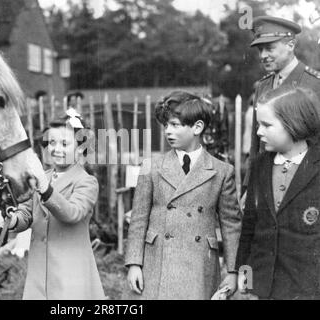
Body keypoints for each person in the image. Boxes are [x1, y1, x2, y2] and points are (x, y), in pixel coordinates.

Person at [124, 91, 242, 300]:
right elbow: (138, 220)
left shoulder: (222, 171)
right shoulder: (151, 167)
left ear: (197, 127)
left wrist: (233, 271)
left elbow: (231, 225)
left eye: (176, 125)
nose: (168, 131)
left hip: (198, 265)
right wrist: (134, 263)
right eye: (166, 125)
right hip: (156, 262)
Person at [5, 108, 105, 300]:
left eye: (65, 144)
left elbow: (72, 214)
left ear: (81, 148)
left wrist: (46, 189)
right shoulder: (44, 178)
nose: (56, 149)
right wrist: (11, 218)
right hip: (39, 274)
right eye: (52, 142)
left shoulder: (86, 182)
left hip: (70, 274)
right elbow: (27, 214)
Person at [235, 86, 320, 300]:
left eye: (266, 125)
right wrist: (245, 279)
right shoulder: (258, 165)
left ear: (294, 124)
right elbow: (249, 228)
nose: (258, 132)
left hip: (306, 290)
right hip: (262, 289)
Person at [248, 16, 320, 164]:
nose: (263, 56)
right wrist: (250, 184)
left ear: (291, 45)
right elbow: (256, 144)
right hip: (265, 178)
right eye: (260, 50)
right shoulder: (263, 85)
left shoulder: (314, 84)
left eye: (269, 49)